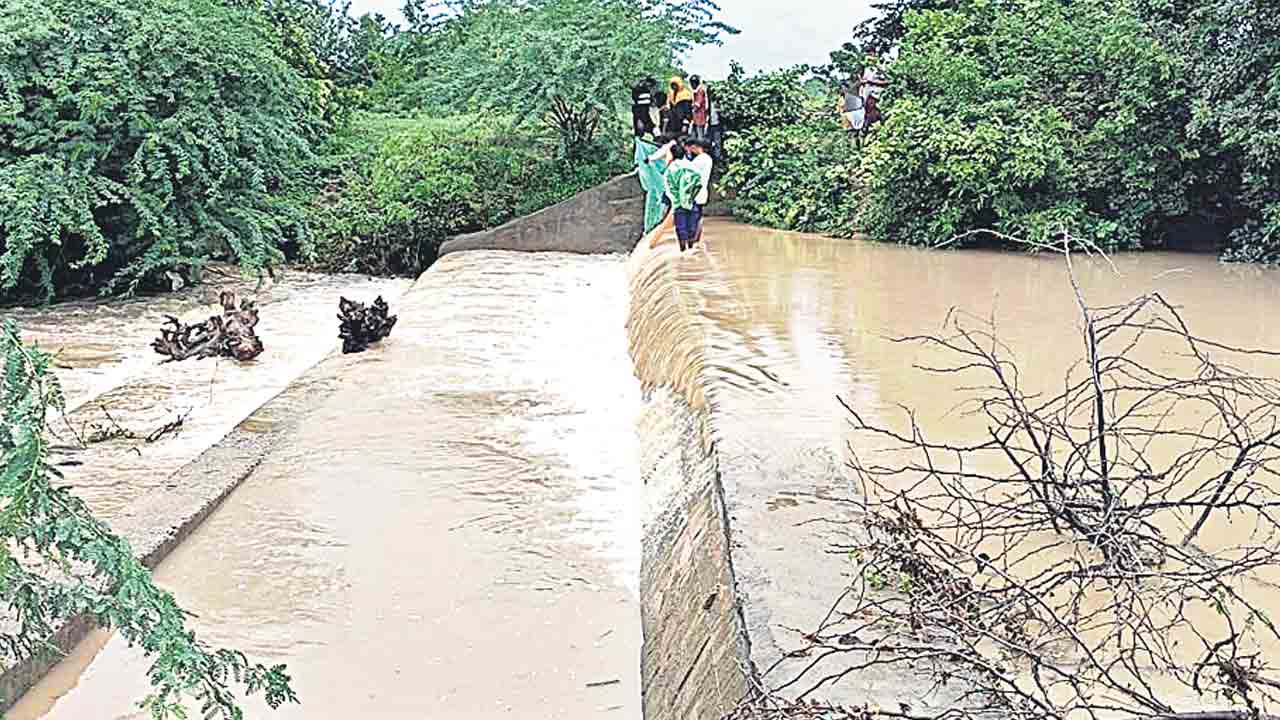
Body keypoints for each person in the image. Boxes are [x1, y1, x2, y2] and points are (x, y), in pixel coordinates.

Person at [662, 142, 703, 252]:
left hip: (678, 203)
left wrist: (675, 198)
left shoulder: (670, 169)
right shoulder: (691, 166)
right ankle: (691, 247)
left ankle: (683, 250)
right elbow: (698, 182)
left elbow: (668, 187)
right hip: (691, 200)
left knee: (681, 227)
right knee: (692, 225)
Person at [684, 136, 714, 248]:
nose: (690, 151)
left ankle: (692, 243)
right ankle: (696, 241)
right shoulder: (707, 159)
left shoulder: (700, 160)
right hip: (702, 193)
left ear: (695, 147)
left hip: (696, 194)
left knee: (693, 219)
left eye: (690, 149)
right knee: (697, 218)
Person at [690, 75, 709, 140]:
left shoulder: (700, 91)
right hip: (695, 118)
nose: (692, 85)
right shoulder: (696, 92)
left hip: (700, 118)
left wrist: (691, 110)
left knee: (700, 138)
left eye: (693, 83)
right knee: (693, 137)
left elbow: (698, 104)